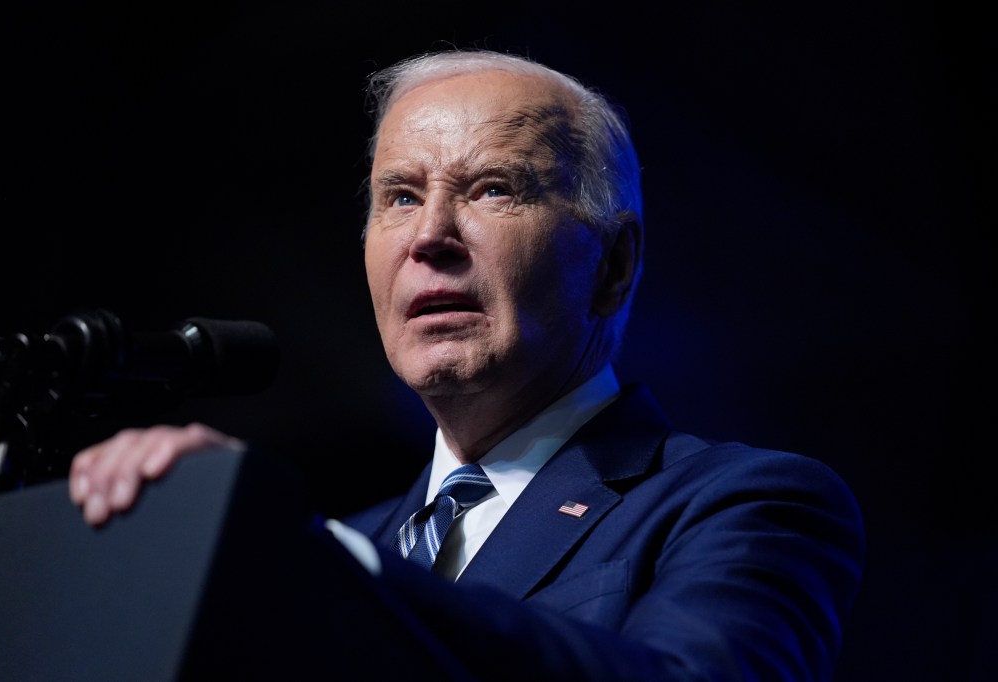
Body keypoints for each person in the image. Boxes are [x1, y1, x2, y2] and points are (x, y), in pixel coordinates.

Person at [68, 48, 865, 680]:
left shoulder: (743, 505)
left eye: (491, 189)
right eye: (402, 197)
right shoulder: (342, 545)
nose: (428, 238)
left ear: (614, 264)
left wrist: (332, 569)